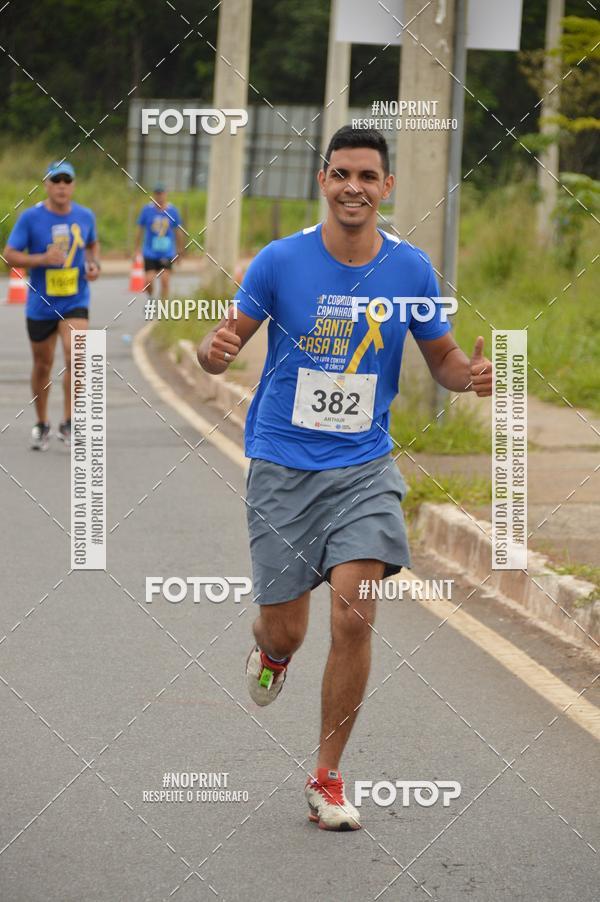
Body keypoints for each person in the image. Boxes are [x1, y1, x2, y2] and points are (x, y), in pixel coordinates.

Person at [197, 126, 493, 831]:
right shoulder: (279, 262)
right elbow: (223, 348)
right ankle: (271, 652)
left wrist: (470, 378)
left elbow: (444, 358)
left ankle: (327, 777)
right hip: (282, 461)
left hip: (364, 465)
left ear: (386, 187)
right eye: (341, 174)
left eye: (368, 175)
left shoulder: (411, 271)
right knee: (290, 628)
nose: (353, 186)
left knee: (355, 609)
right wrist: (213, 354)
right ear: (323, 181)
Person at [4, 160, 100, 450]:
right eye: (55, 181)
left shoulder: (85, 216)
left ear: (73, 185)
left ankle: (69, 422)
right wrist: (40, 260)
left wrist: (93, 264)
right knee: (43, 365)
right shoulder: (30, 218)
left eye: (66, 181)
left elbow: (92, 246)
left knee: (77, 355)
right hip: (41, 304)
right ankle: (42, 422)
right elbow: (9, 255)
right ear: (46, 184)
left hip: (75, 300)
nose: (61, 186)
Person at [134, 183, 184, 300]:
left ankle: (163, 308)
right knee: (148, 281)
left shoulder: (173, 211)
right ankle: (151, 297)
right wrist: (136, 248)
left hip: (166, 252)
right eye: (157, 194)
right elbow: (139, 230)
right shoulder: (147, 210)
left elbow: (178, 231)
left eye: (161, 194)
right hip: (150, 252)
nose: (159, 197)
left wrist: (180, 251)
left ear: (166, 194)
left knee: (165, 280)